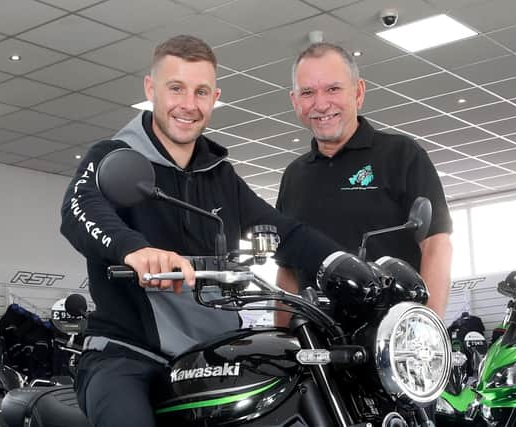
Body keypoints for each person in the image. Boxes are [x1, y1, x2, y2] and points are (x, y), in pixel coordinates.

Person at [60, 35, 342, 427]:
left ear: (215, 97)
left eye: (201, 91)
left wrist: (343, 263)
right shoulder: (114, 157)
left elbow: (285, 232)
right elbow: (79, 209)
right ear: (150, 88)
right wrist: (135, 250)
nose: (188, 104)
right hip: (128, 354)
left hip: (212, 355)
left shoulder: (220, 175)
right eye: (176, 88)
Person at [276, 42, 453, 320]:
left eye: (333, 89)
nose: (321, 104)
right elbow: (287, 270)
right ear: (295, 101)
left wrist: (426, 326)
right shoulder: (294, 176)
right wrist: (285, 344)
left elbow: (436, 244)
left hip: (392, 341)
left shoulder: (402, 155)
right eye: (308, 92)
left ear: (358, 92)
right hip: (316, 350)